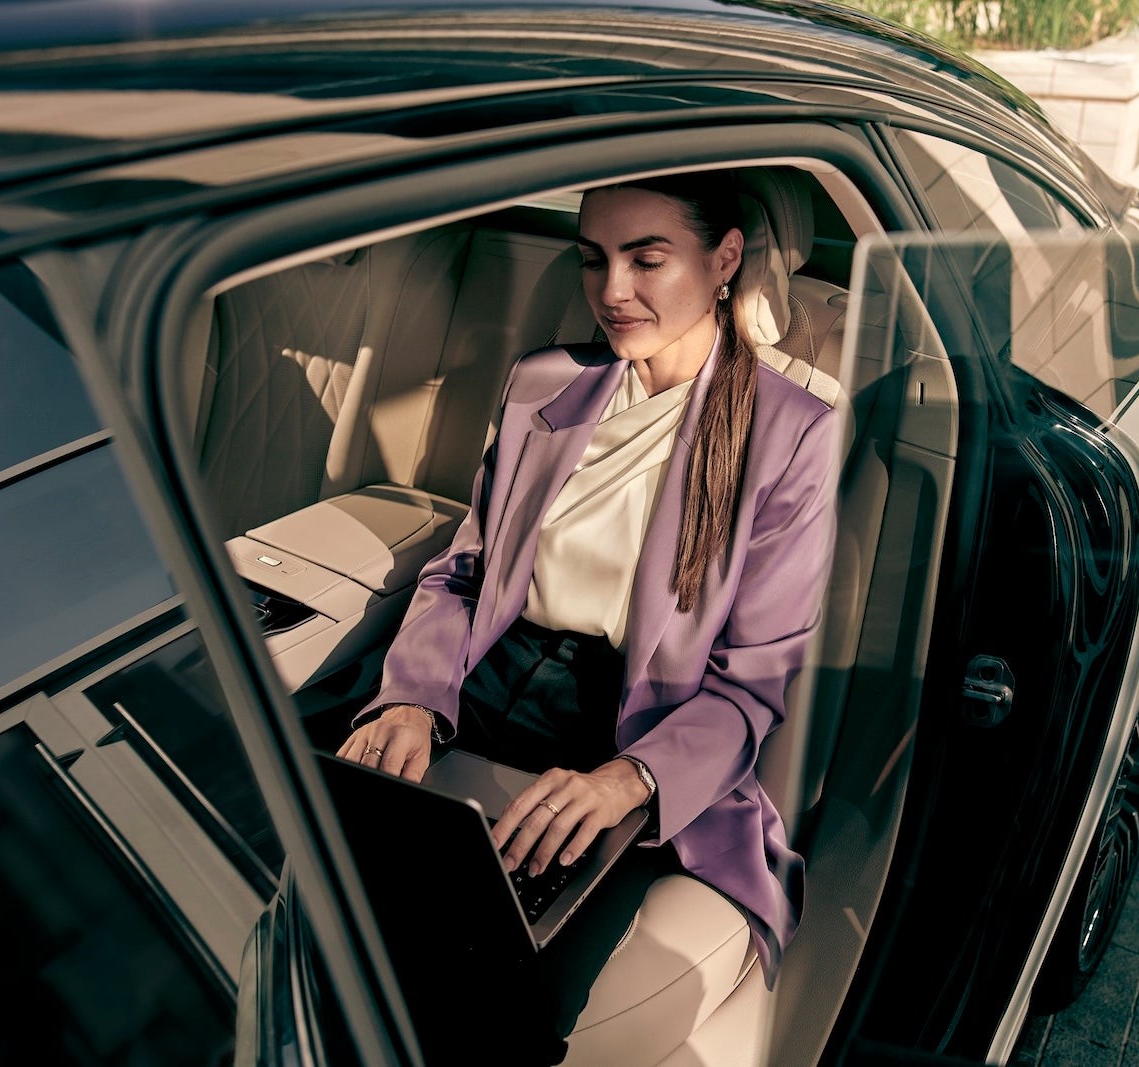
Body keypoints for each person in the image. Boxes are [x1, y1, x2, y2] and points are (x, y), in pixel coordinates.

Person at [337, 171, 840, 1064]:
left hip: (633, 731)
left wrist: (627, 779)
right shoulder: (542, 383)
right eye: (594, 260)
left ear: (725, 258)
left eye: (647, 260)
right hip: (479, 690)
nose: (613, 291)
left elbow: (752, 688)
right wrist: (410, 697)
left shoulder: (793, 431)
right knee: (333, 884)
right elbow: (462, 574)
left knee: (494, 991)